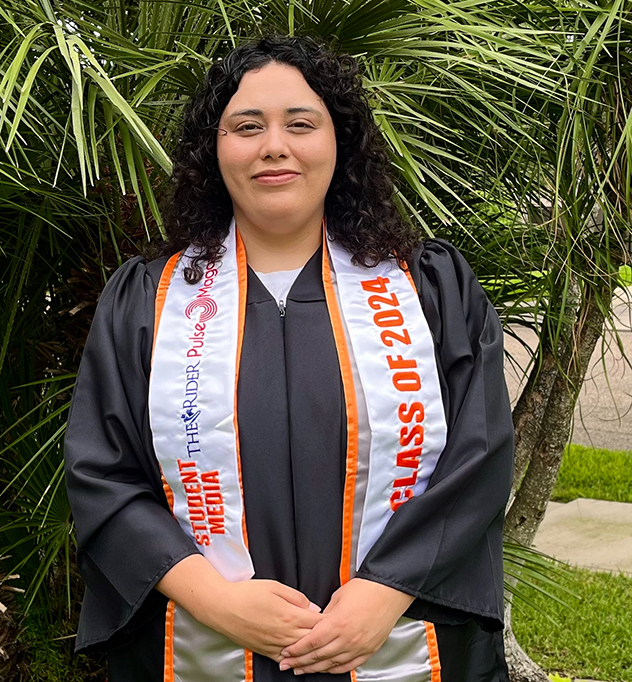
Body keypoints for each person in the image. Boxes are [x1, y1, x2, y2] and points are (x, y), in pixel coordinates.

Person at [63, 36, 514, 682]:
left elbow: (480, 456)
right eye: (247, 126)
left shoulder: (430, 292)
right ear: (213, 151)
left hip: (399, 639)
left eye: (301, 124)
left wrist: (385, 590)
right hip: (205, 645)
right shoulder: (148, 304)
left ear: (340, 142)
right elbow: (103, 475)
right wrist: (215, 598)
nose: (274, 145)